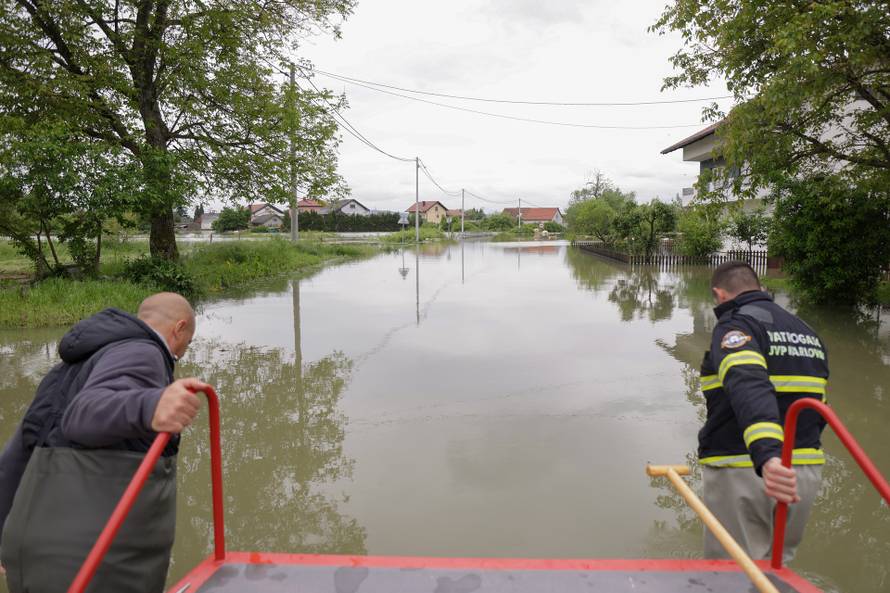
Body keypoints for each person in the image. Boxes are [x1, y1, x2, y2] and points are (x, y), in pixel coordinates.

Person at [0, 293, 209, 593]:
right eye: (186, 346)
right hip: (86, 559)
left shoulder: (68, 369)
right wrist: (151, 405)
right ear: (179, 328)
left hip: (29, 549)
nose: (180, 357)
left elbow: (17, 451)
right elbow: (83, 415)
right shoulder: (144, 353)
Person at [699, 261, 828, 562]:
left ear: (719, 295)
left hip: (746, 467)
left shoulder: (736, 327)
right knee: (775, 571)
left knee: (729, 574)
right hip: (802, 473)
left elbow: (749, 385)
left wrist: (768, 457)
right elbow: (818, 402)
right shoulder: (806, 332)